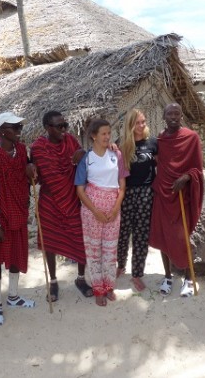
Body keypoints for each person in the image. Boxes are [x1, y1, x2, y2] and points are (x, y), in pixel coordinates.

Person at [30, 110, 93, 302]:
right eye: (59, 126)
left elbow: (83, 165)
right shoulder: (38, 147)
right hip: (50, 201)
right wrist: (31, 170)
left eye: (65, 125)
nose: (64, 130)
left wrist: (82, 154)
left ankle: (81, 279)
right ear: (48, 128)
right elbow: (41, 174)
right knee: (50, 243)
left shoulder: (71, 141)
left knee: (80, 240)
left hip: (72, 199)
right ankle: (54, 281)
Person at [0, 112, 36, 326]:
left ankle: (13, 296)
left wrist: (31, 171)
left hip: (19, 212)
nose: (19, 131)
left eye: (19, 127)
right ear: (3, 131)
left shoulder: (22, 150)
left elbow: (27, 175)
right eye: (15, 127)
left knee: (16, 256)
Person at [149, 103, 204, 297]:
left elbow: (198, 168)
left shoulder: (191, 137)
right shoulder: (160, 139)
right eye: (169, 113)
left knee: (183, 237)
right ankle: (168, 276)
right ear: (163, 116)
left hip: (182, 195)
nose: (173, 116)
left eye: (177, 113)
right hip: (163, 194)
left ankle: (189, 278)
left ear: (181, 116)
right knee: (164, 236)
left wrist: (186, 177)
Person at [75, 119, 128, 307]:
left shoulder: (116, 155)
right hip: (91, 212)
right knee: (94, 251)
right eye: (103, 133)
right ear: (93, 136)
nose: (107, 137)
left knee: (110, 250)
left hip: (113, 210)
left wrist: (115, 208)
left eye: (109, 133)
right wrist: (95, 211)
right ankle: (98, 288)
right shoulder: (87, 159)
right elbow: (80, 190)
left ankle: (109, 286)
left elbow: (122, 186)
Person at [117, 109, 157, 291]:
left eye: (143, 122)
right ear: (130, 125)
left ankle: (137, 274)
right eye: (138, 123)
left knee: (141, 234)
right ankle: (120, 265)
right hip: (125, 193)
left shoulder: (153, 143)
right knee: (122, 232)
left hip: (145, 193)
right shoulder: (122, 145)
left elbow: (162, 164)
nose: (142, 126)